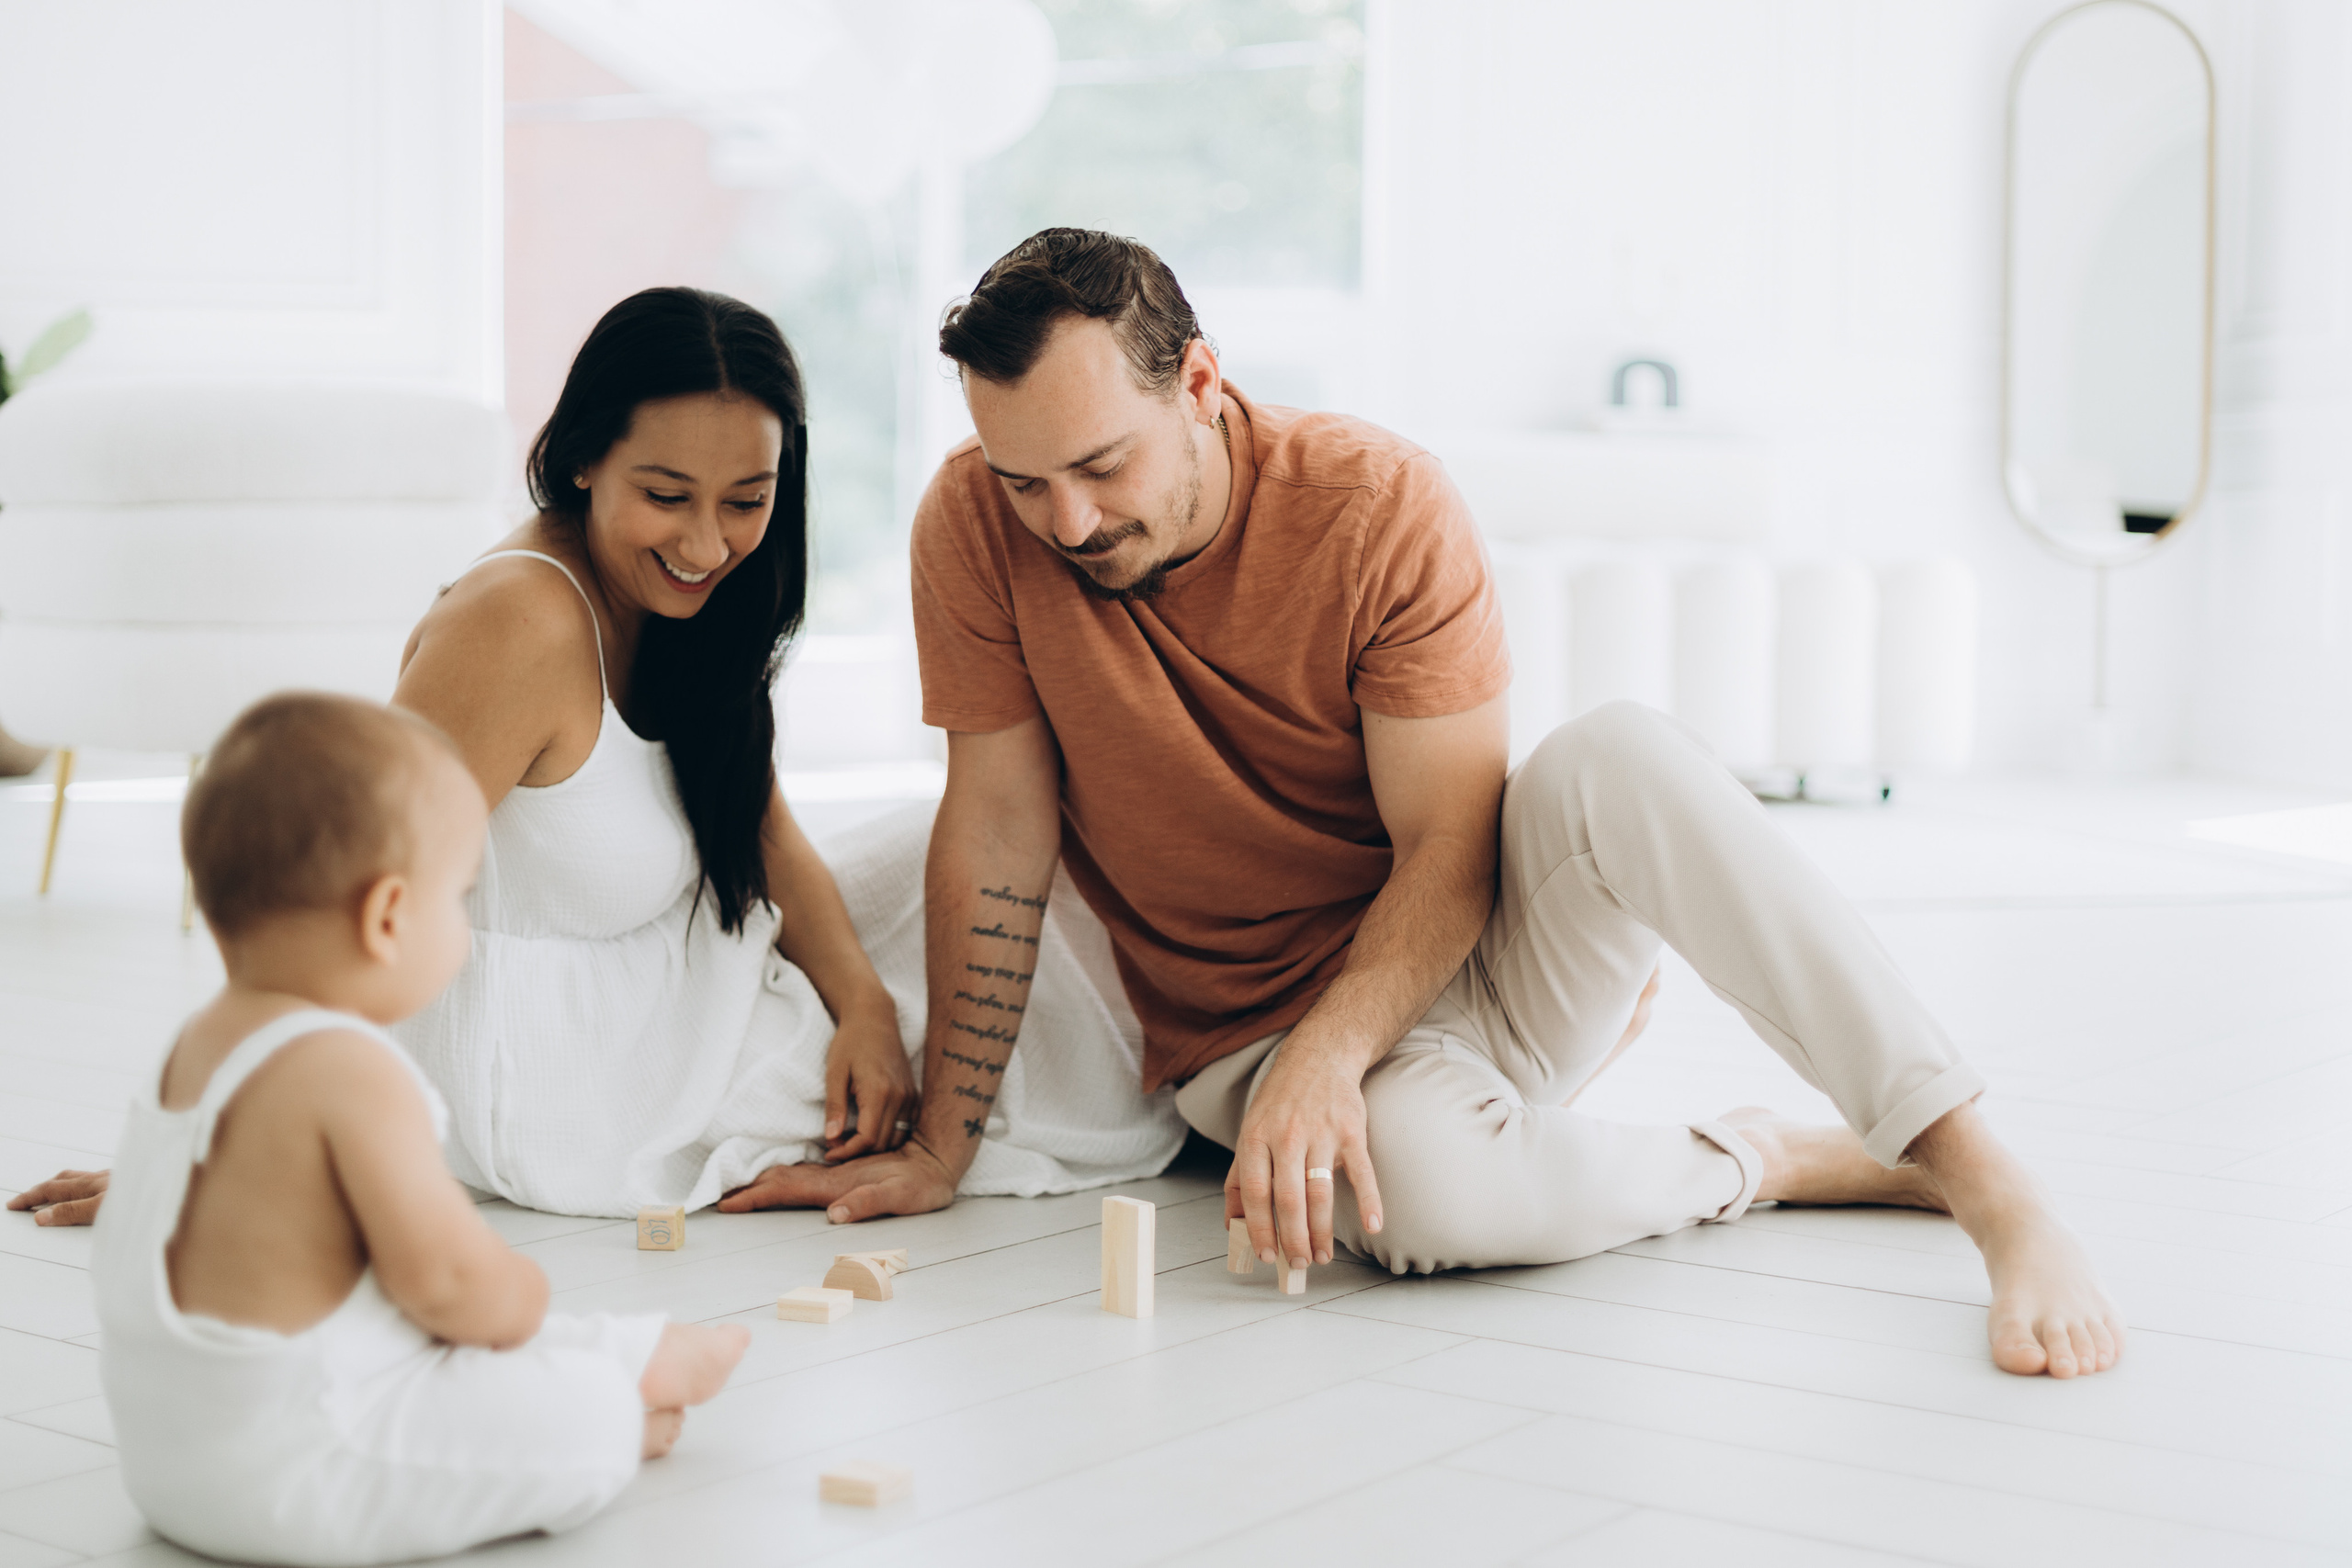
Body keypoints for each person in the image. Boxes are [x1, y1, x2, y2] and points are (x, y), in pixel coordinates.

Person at [725, 229, 2127, 1381]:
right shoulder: (973, 525)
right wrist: (941, 1146)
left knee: (1627, 749)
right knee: (1427, 1207)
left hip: (1467, 956)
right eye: (1028, 480)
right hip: (1244, 1033)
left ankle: (1984, 1177)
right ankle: (1760, 1154)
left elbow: (1454, 847)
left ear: (1199, 381)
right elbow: (999, 833)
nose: (1068, 523)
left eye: (1102, 468)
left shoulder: (1375, 500)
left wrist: (1343, 1051)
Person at [9, 286, 1182, 1228]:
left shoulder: (694, 601)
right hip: (596, 1088)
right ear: (579, 459)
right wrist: (212, 1142)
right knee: (1037, 1030)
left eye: (747, 499)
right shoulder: (516, 625)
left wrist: (865, 1005)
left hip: (697, 970)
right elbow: (348, 890)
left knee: (1030, 877)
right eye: (664, 495)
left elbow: (759, 825)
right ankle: (1235, 1088)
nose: (707, 543)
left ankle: (1240, 1043)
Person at [88, 691, 747, 1566]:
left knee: (451, 1348)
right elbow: (448, 1285)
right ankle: (617, 1399)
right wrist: (522, 1294)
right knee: (567, 1401)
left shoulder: (196, 1050)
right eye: (461, 896)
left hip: (169, 1465)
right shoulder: (351, 1069)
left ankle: (630, 1353)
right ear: (388, 916)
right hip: (295, 1475)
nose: (468, 933)